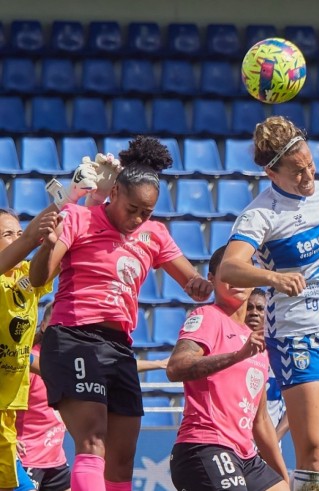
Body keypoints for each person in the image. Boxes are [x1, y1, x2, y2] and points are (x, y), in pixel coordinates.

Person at [28, 136, 214, 491]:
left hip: (118, 348)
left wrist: (198, 285)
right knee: (93, 439)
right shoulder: (80, 219)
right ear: (113, 193)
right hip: (73, 335)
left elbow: (189, 278)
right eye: (133, 209)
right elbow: (40, 278)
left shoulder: (154, 234)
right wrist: (49, 244)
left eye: (147, 212)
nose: (138, 219)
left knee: (122, 457)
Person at [219, 116, 319, 490]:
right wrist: (273, 278)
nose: (308, 176)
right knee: (312, 447)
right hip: (297, 335)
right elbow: (231, 267)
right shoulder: (261, 214)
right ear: (271, 173)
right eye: (297, 171)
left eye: (310, 165)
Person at [166, 246, 289, 491]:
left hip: (245, 455)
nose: (237, 280)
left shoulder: (256, 342)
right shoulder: (208, 316)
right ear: (211, 278)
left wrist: (283, 478)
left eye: (244, 273)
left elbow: (261, 419)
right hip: (205, 446)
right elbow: (175, 367)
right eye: (229, 272)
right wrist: (237, 355)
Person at [17, 302, 170, 491]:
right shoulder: (32, 361)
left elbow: (113, 365)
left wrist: (157, 363)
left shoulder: (74, 359)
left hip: (56, 461)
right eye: (57, 322)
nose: (63, 327)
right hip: (28, 458)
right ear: (43, 325)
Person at [0, 207, 60, 491]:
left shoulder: (27, 275)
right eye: (7, 234)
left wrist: (91, 201)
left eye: (19, 232)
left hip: (8, 405)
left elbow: (60, 253)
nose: (17, 238)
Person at [246, 289, 289, 442]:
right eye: (248, 307)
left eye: (260, 308)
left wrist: (273, 440)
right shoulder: (230, 349)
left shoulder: (281, 353)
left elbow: (294, 407)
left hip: (268, 450)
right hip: (234, 445)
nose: (253, 313)